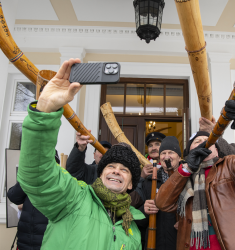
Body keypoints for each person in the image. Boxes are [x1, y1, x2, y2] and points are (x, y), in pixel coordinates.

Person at [17, 58, 145, 250]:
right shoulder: (74, 198)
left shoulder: (132, 227)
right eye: (110, 166)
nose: (116, 171)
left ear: (131, 184)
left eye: (124, 170)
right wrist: (45, 111)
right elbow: (38, 177)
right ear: (100, 174)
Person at [155, 95, 235, 250]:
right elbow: (162, 203)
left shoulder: (231, 165)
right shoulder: (183, 176)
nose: (203, 143)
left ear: (216, 149)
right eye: (197, 142)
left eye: (208, 141)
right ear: (190, 152)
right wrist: (186, 169)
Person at [7, 151, 60, 250]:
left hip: (46, 245)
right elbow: (13, 196)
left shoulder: (59, 185)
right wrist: (28, 178)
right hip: (24, 243)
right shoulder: (31, 181)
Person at [136, 136, 181, 250]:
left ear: (179, 157)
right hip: (155, 243)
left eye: (171, 152)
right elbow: (138, 221)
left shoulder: (186, 180)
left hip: (180, 242)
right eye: (163, 153)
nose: (166, 156)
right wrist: (144, 210)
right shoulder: (149, 181)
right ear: (160, 158)